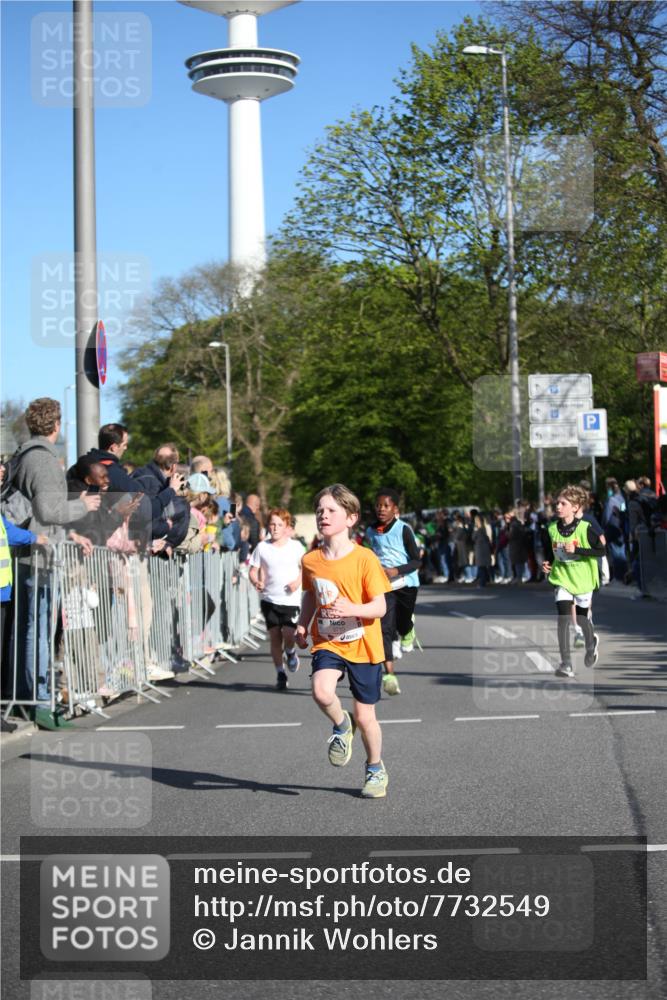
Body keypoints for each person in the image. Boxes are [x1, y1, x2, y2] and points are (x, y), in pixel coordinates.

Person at [296, 484, 390, 799]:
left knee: (366, 716)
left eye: (331, 511)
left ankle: (375, 768)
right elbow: (311, 594)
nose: (324, 515)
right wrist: (302, 623)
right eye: (320, 510)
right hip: (329, 640)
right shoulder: (310, 560)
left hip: (364, 643)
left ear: (350, 519)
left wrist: (353, 609)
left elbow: (380, 607)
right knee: (322, 692)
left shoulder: (365, 559)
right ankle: (340, 725)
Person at [10, 398, 100, 716]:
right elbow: (49, 510)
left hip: (30, 550)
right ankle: (39, 697)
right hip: (40, 555)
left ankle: (29, 694)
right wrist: (83, 507)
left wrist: (71, 534)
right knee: (39, 627)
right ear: (57, 425)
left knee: (29, 625)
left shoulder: (24, 456)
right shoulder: (44, 461)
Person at [540, 484, 605, 679]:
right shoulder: (551, 528)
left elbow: (601, 550)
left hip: (583, 579)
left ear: (575, 507)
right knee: (563, 620)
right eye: (557, 503)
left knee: (584, 620)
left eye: (563, 503)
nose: (558, 506)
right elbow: (550, 552)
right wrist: (547, 564)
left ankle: (590, 644)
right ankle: (566, 663)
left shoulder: (586, 528)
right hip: (562, 577)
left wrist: (577, 550)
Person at [364, 488, 421, 696]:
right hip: (383, 586)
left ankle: (408, 628)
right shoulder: (370, 531)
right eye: (378, 505)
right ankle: (389, 676)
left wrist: (396, 570)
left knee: (402, 624)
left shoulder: (404, 529)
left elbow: (417, 561)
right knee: (383, 630)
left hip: (406, 583)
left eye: (386, 506)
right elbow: (368, 555)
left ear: (395, 509)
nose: (381, 509)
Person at [249, 508, 304, 690]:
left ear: (286, 526)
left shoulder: (296, 547)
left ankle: (290, 651)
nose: (275, 528)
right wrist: (256, 581)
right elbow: (252, 570)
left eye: (279, 524)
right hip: (270, 599)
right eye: (272, 524)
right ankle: (280, 673)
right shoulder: (262, 547)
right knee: (274, 637)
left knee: (289, 634)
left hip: (291, 600)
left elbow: (306, 569)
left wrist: (298, 582)